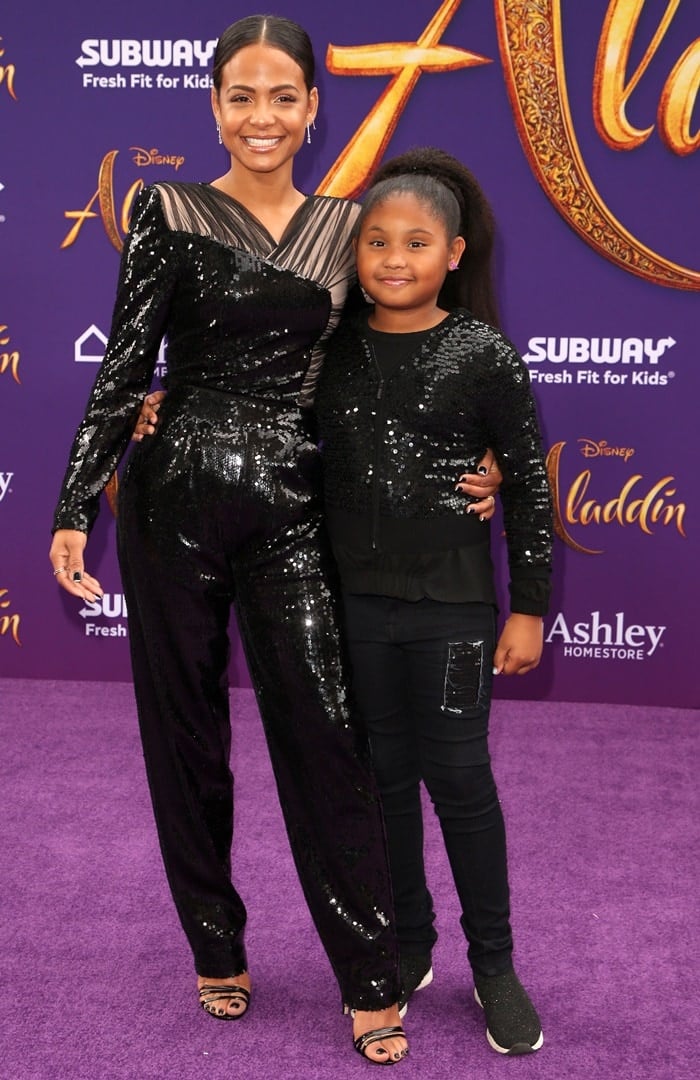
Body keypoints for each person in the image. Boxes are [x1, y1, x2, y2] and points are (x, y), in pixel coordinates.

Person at [49, 14, 423, 1064]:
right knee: (186, 735)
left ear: (313, 108)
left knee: (324, 735)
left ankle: (369, 971)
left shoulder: (347, 229)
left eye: (282, 96)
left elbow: (372, 388)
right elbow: (127, 362)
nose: (262, 116)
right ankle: (216, 947)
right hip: (173, 503)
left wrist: (461, 471)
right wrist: (77, 501)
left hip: (294, 505)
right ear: (214, 107)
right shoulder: (166, 208)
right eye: (241, 96)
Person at [312, 147, 553, 1056]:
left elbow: (526, 480)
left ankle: (493, 964)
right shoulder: (329, 348)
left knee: (459, 780)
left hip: (453, 608)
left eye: (416, 241)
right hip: (355, 606)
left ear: (454, 253)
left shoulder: (481, 352)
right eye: (376, 241)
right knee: (383, 782)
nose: (394, 258)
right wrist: (160, 406)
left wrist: (526, 605)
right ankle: (409, 941)